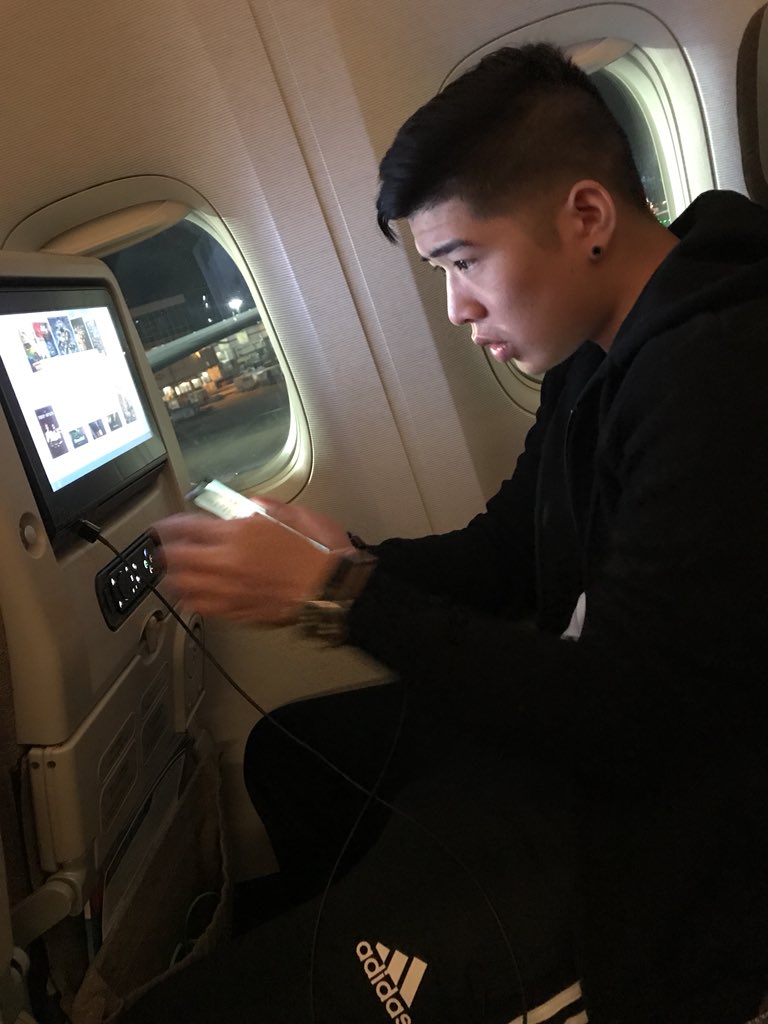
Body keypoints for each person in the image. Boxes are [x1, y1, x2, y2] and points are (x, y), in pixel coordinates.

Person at [137, 43, 768, 1024]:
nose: (457, 308)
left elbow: (629, 716)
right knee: (289, 755)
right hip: (580, 723)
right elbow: (505, 553)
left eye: (465, 262)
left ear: (587, 217)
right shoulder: (594, 351)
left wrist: (335, 597)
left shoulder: (719, 377)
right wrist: (340, 560)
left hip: (679, 816)